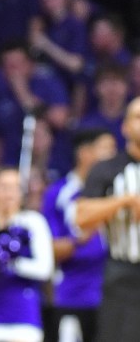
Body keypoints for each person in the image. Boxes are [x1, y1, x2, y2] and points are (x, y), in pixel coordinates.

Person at [40, 128, 117, 342]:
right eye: (106, 149)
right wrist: (81, 235)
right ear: (84, 152)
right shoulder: (59, 193)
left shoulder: (118, 191)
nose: (113, 155)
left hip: (114, 294)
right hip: (73, 295)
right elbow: (49, 249)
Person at [74, 96, 140, 342]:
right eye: (138, 117)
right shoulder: (107, 169)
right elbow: (82, 216)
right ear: (125, 127)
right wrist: (125, 200)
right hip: (124, 274)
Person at [0, 168, 54, 342]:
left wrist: (9, 262)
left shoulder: (33, 222)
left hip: (23, 317)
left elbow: (45, 269)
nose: (9, 193)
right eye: (4, 187)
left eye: (15, 187)